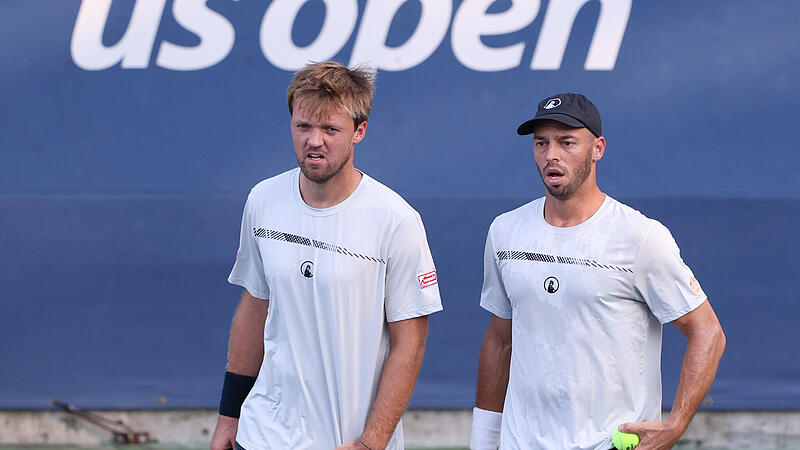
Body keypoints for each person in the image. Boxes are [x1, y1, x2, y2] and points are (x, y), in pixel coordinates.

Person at [469, 93, 726, 450]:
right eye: (541, 143)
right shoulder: (504, 231)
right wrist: (483, 441)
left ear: (597, 149)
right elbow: (500, 339)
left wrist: (676, 424)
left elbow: (708, 332)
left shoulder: (641, 238)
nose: (551, 155)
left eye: (567, 142)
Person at [209, 61, 443, 450]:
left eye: (330, 129)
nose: (314, 141)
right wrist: (229, 416)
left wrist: (372, 442)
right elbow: (254, 308)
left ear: (359, 132)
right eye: (304, 127)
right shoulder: (263, 200)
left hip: (349, 441)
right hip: (264, 433)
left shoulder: (396, 220)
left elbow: (410, 343)